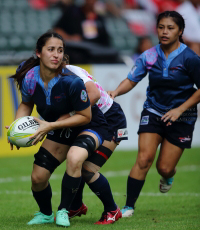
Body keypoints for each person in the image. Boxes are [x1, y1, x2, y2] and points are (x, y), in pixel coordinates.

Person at [7, 31, 121, 227]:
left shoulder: (72, 81)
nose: (56, 55)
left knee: (75, 159)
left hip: (90, 125)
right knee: (38, 177)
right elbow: (26, 104)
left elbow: (85, 116)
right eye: (50, 49)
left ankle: (63, 211)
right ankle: (45, 213)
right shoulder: (29, 78)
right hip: (60, 126)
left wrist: (49, 125)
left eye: (60, 50)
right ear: (38, 53)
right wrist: (16, 130)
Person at [107, 11, 200, 217]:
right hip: (154, 110)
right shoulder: (149, 55)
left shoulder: (191, 58)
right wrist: (116, 91)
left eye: (170, 28)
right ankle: (128, 206)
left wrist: (180, 109)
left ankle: (168, 176)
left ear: (180, 31)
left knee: (164, 168)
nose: (164, 32)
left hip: (182, 116)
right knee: (143, 159)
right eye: (161, 27)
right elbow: (132, 79)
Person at [61, 65, 128, 223]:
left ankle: (112, 210)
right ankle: (76, 206)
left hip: (111, 119)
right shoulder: (61, 72)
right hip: (94, 119)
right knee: (76, 162)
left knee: (88, 169)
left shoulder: (70, 72)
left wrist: (67, 115)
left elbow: (94, 95)